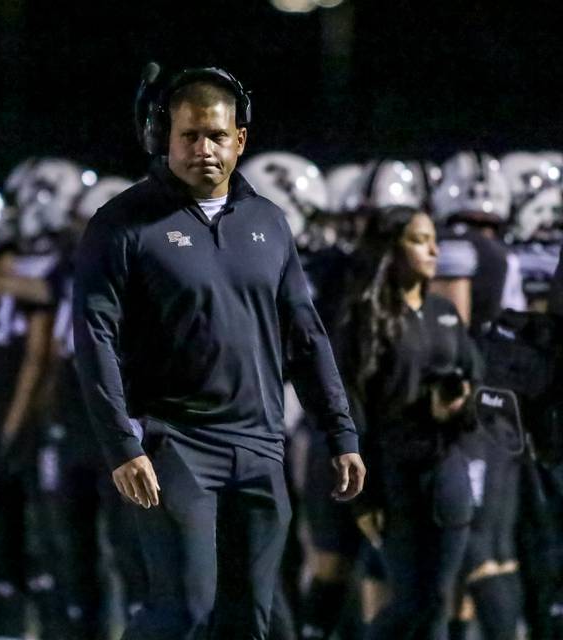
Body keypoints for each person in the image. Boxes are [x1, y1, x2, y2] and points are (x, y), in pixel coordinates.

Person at [74, 66, 365, 640]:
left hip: (261, 443)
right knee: (185, 612)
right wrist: (121, 444)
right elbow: (93, 339)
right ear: (165, 138)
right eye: (189, 135)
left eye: (215, 135)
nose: (203, 149)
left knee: (251, 620)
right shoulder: (122, 223)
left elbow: (305, 336)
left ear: (240, 139)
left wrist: (341, 433)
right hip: (176, 443)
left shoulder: (269, 222)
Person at [338, 206, 482, 639]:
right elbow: (350, 408)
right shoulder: (361, 318)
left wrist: (458, 404)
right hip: (393, 476)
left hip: (447, 469)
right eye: (420, 239)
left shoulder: (443, 310)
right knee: (410, 600)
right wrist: (362, 498)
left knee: (438, 599)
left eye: (433, 239)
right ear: (390, 249)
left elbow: (475, 379)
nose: (434, 250)